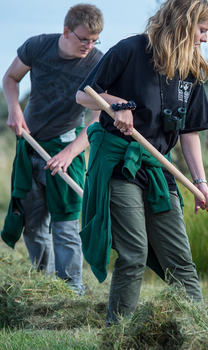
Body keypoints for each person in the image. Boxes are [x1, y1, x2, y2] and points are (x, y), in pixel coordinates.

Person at [76, 0, 208, 324]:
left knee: (180, 258)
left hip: (158, 168)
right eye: (202, 30)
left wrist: (200, 183)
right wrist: (118, 105)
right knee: (134, 254)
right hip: (119, 166)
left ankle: (201, 330)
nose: (205, 39)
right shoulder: (132, 49)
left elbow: (189, 132)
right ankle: (117, 334)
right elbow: (84, 94)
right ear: (184, 22)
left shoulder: (191, 71)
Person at [1, 4, 104, 295]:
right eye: (84, 39)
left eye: (95, 40)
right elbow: (10, 78)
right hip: (29, 144)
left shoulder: (97, 62)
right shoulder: (38, 46)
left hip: (67, 145)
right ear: (66, 31)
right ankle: (44, 287)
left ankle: (72, 291)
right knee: (32, 224)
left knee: (65, 226)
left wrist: (70, 152)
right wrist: (14, 110)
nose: (89, 46)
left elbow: (98, 120)